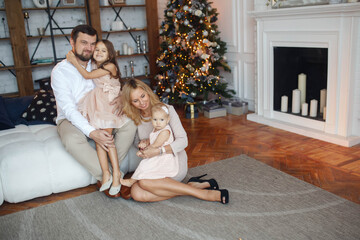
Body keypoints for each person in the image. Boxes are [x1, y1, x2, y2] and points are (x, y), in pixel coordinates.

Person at [51, 25, 137, 197]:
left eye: (92, 43)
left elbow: (112, 82)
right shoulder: (60, 71)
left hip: (102, 111)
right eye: (84, 43)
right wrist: (92, 132)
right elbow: (68, 109)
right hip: (73, 116)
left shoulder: (99, 62)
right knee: (70, 139)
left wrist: (121, 97)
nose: (89, 48)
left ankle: (111, 174)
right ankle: (109, 176)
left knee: (130, 124)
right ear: (72, 42)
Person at [119, 79, 229, 204]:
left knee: (144, 182)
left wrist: (159, 150)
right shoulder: (135, 118)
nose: (142, 102)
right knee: (137, 193)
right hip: (154, 166)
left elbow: (183, 141)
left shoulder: (167, 110)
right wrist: (144, 143)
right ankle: (193, 186)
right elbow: (136, 142)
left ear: (147, 92)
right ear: (131, 103)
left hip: (174, 163)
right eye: (135, 100)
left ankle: (205, 194)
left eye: (143, 96)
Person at [65, 39, 127, 196]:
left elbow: (87, 75)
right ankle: (106, 173)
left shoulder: (109, 66)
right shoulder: (95, 64)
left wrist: (73, 60)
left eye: (103, 51)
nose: (98, 52)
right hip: (98, 104)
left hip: (108, 104)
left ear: (110, 55)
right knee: (100, 139)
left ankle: (117, 173)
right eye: (97, 49)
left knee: (106, 138)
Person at [121, 103, 179, 187]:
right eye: (155, 120)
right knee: (144, 164)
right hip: (156, 154)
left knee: (144, 165)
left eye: (161, 120)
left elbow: (155, 145)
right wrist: (145, 142)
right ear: (151, 119)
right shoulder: (156, 129)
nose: (158, 123)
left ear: (167, 119)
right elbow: (151, 139)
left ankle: (131, 181)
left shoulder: (165, 132)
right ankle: (139, 179)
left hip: (164, 157)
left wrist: (142, 152)